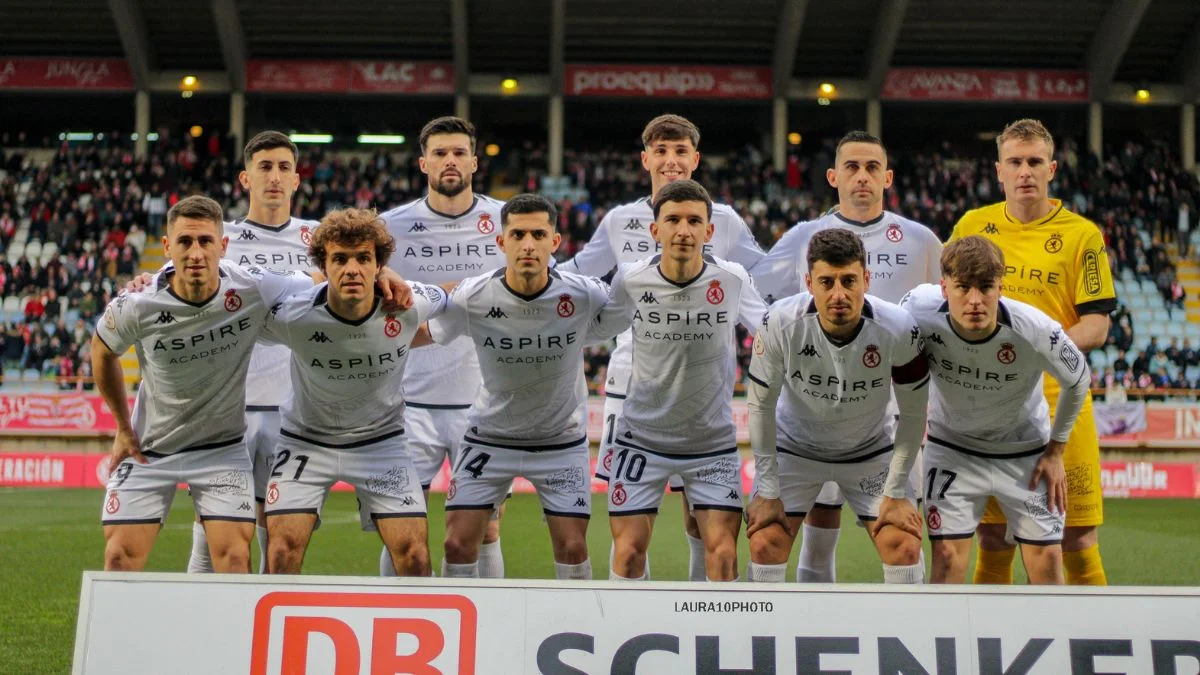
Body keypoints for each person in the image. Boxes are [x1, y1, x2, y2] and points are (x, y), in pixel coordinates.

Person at [559, 114, 765, 581]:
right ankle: (635, 620)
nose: (671, 161)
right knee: (630, 542)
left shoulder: (727, 225)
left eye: (680, 152)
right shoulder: (619, 225)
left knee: (703, 526)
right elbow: (577, 279)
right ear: (646, 158)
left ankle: (703, 623)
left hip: (703, 397)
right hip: (630, 392)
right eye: (662, 151)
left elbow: (767, 284)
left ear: (695, 159)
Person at [753, 130, 942, 582]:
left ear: (888, 177)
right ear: (833, 176)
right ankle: (800, 638)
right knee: (816, 529)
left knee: (901, 534)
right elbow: (755, 293)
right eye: (852, 167)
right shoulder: (803, 237)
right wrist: (779, 346)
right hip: (810, 409)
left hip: (887, 418)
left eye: (872, 167)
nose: (862, 177)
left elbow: (946, 310)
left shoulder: (921, 240)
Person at [92, 196, 313, 572]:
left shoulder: (253, 288)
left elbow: (323, 280)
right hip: (150, 448)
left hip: (220, 450)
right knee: (118, 559)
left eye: (206, 241)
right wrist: (122, 427)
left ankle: (223, 633)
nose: (196, 253)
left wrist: (385, 276)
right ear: (167, 247)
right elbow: (102, 351)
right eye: (185, 242)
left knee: (235, 559)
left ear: (223, 246)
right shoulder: (137, 302)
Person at [951, 119, 1117, 585]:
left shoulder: (1082, 234)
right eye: (1015, 162)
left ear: (1052, 169)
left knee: (1078, 538)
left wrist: (1033, 346)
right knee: (993, 537)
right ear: (999, 171)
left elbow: (1098, 324)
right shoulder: (972, 227)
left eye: (1034, 162)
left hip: (1058, 401)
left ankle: (1087, 651)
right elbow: (950, 298)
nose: (1025, 171)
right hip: (988, 403)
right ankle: (992, 650)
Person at [436, 194, 626, 580]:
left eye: (538, 234)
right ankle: (472, 630)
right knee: (456, 545)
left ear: (555, 243)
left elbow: (624, 311)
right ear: (501, 242)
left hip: (560, 441)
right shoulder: (473, 295)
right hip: (490, 438)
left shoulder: (583, 293)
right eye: (517, 234)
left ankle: (576, 632)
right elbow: (426, 331)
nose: (528, 244)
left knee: (573, 548)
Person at [260, 209, 445, 575]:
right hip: (306, 441)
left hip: (381, 442)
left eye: (364, 258)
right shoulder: (291, 315)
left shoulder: (409, 304)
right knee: (280, 552)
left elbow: (459, 296)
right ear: (323, 266)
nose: (352, 269)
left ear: (379, 265)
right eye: (340, 259)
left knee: (416, 557)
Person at [900, 236, 1090, 584]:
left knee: (1047, 561)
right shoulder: (916, 308)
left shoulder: (1036, 330)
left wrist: (1056, 449)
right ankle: (943, 638)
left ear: (1001, 287)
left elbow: (1078, 378)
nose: (975, 300)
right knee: (945, 558)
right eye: (963, 288)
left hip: (1026, 454)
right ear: (943, 287)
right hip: (952, 450)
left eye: (986, 288)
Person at [744, 228, 928, 584]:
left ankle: (907, 636)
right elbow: (760, 407)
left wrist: (897, 490)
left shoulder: (899, 329)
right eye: (827, 282)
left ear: (867, 280)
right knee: (765, 542)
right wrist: (767, 491)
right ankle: (770, 638)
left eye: (849, 281)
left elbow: (914, 414)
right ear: (809, 283)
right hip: (795, 448)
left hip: (870, 450)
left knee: (904, 545)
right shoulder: (780, 322)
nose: (839, 294)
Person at [603, 180, 766, 582]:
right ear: (654, 230)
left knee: (725, 556)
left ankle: (713, 639)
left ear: (709, 232)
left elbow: (770, 329)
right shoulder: (630, 279)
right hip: (641, 439)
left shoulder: (731, 278)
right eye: (672, 220)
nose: (683, 230)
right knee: (626, 555)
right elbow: (593, 328)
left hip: (710, 443)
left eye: (695, 221)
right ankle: (623, 634)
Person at [187, 131, 320, 574]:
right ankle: (205, 631)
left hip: (295, 410)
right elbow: (172, 285)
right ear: (246, 178)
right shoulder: (221, 239)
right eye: (265, 167)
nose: (275, 177)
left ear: (297, 179)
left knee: (281, 541)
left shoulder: (318, 239)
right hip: (231, 406)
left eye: (284, 168)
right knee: (212, 530)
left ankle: (266, 633)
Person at [380, 116, 508, 578]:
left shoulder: (506, 222)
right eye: (439, 153)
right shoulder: (389, 228)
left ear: (474, 161)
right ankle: (397, 628)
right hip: (407, 402)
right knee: (402, 535)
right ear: (423, 163)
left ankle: (488, 628)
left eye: (458, 152)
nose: (449, 161)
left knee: (482, 530)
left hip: (483, 402)